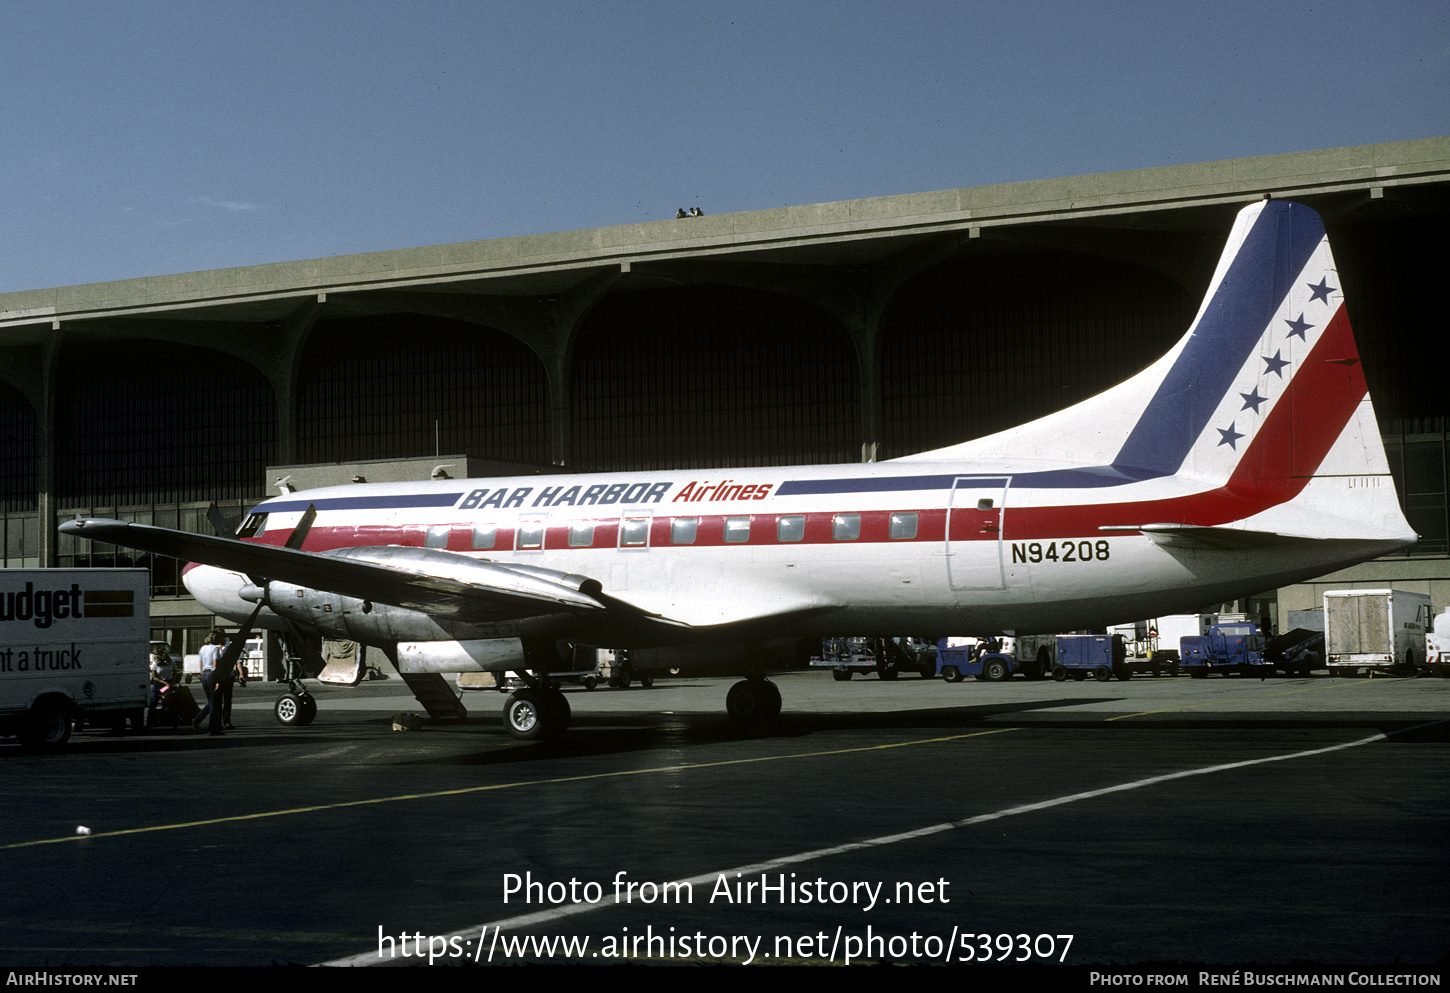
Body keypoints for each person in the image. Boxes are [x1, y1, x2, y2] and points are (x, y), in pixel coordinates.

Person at [193, 629, 222, 732]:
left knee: (211, 702)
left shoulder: (202, 648)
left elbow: (200, 665)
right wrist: (217, 680)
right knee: (214, 703)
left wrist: (202, 674)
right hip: (211, 674)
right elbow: (215, 665)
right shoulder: (215, 649)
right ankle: (213, 728)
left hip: (204, 674)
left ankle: (198, 720)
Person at [146, 647, 175, 729]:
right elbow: (155, 677)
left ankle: (172, 722)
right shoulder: (155, 664)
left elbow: (175, 671)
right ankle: (149, 724)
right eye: (155, 654)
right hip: (159, 685)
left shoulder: (170, 662)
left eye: (157, 654)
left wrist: (172, 681)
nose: (156, 656)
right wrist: (165, 683)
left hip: (168, 685)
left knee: (169, 703)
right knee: (153, 703)